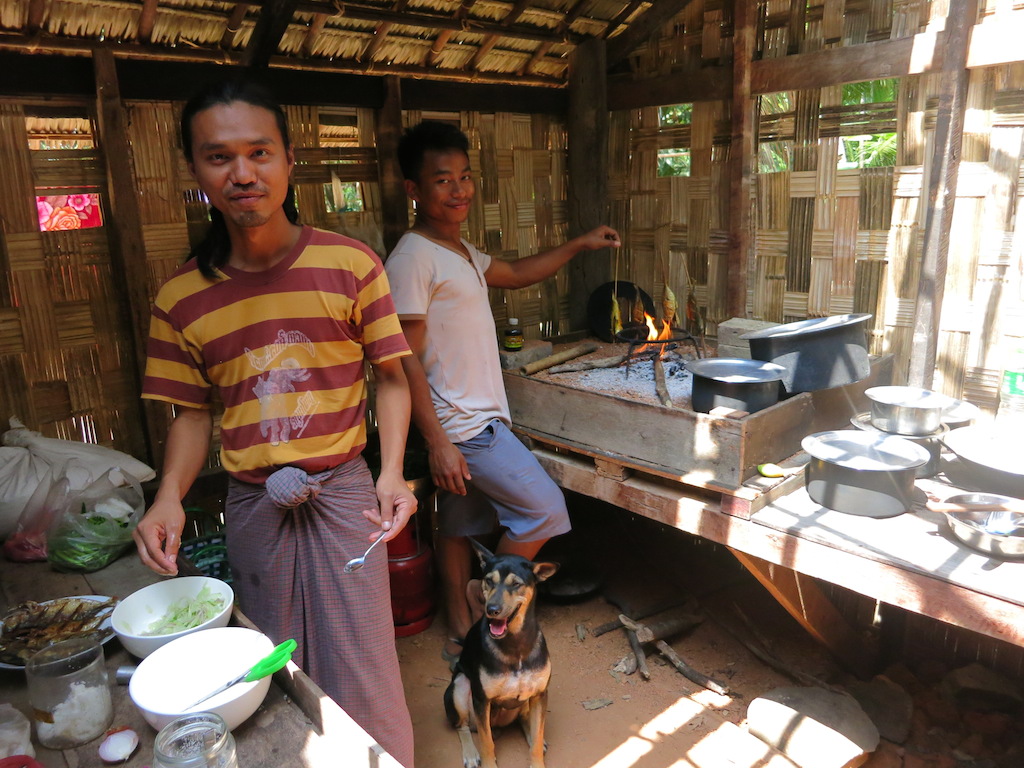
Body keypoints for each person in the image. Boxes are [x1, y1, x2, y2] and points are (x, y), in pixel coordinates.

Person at [132, 79, 416, 767]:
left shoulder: (351, 267)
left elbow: (391, 379)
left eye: (259, 152)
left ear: (290, 160)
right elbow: (192, 412)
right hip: (255, 506)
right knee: (270, 672)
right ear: (194, 171)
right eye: (218, 157)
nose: (242, 172)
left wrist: (392, 471)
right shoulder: (181, 298)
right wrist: (169, 494)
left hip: (345, 496)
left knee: (365, 666)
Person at [384, 120, 620, 665]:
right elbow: (403, 360)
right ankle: (492, 604)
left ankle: (460, 626)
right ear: (414, 190)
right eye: (443, 180)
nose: (460, 190)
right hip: (462, 427)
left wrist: (580, 243)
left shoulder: (458, 249)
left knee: (461, 526)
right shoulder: (413, 258)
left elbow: (513, 271)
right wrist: (438, 441)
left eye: (465, 177)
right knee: (544, 510)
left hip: (472, 419)